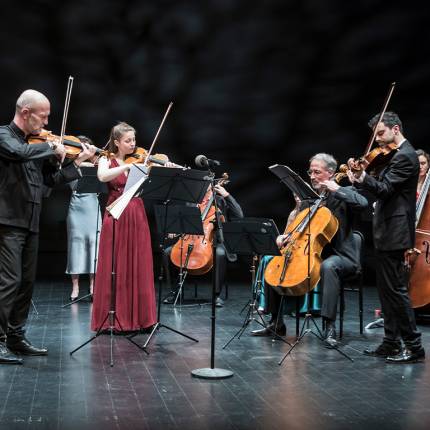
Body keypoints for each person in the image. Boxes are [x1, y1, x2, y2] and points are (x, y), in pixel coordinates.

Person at [0, 89, 96, 365]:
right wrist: (52, 147)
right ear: (25, 113)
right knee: (9, 281)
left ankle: (16, 338)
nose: (45, 124)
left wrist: (75, 162)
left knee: (26, 283)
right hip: (7, 221)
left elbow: (48, 183)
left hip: (30, 221)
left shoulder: (35, 146)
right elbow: (18, 153)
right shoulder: (5, 136)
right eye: (42, 117)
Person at [252, 153, 368, 347]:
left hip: (340, 256)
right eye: (310, 172)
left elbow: (363, 204)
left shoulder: (344, 192)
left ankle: (328, 326)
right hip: (311, 253)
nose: (312, 176)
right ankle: (276, 322)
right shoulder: (310, 200)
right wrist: (285, 237)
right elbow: (300, 229)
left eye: (317, 172)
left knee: (329, 267)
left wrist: (337, 189)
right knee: (274, 262)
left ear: (330, 173)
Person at [349, 111, 425, 363]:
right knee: (386, 291)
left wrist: (362, 178)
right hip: (386, 229)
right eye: (375, 135)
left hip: (396, 230)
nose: (378, 140)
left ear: (396, 128)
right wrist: (362, 178)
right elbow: (381, 187)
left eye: (381, 133)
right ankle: (391, 342)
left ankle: (414, 347)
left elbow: (384, 190)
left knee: (396, 291)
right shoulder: (393, 155)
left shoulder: (406, 156)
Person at [91, 122, 159, 333]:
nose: (133, 144)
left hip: (137, 213)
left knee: (139, 264)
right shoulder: (106, 159)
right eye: (128, 141)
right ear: (117, 142)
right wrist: (127, 167)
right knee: (116, 263)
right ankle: (115, 319)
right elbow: (102, 176)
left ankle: (142, 319)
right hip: (116, 212)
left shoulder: (140, 160)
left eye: (134, 140)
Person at [162, 181, 243, 307]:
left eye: (207, 183)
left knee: (220, 254)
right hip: (190, 239)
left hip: (213, 241)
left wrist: (227, 195)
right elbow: (183, 221)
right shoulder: (191, 201)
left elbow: (239, 215)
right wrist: (176, 230)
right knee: (168, 252)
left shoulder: (220, 200)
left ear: (212, 185)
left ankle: (216, 295)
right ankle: (175, 292)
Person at [65, 136, 101, 302]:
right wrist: (82, 160)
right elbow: (70, 182)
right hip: (76, 207)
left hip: (92, 207)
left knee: (94, 245)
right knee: (76, 245)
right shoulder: (71, 163)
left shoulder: (97, 165)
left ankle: (93, 284)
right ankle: (75, 286)